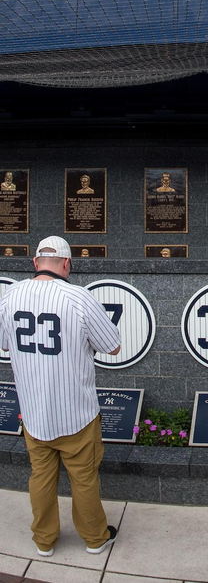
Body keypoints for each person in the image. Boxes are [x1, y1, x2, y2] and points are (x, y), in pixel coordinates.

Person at [0, 236, 121, 557]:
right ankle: (95, 538)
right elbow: (113, 345)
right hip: (75, 412)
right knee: (83, 478)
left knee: (40, 476)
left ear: (35, 262)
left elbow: (4, 343)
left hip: (34, 412)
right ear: (67, 263)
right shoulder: (78, 297)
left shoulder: (9, 295)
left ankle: (44, 540)